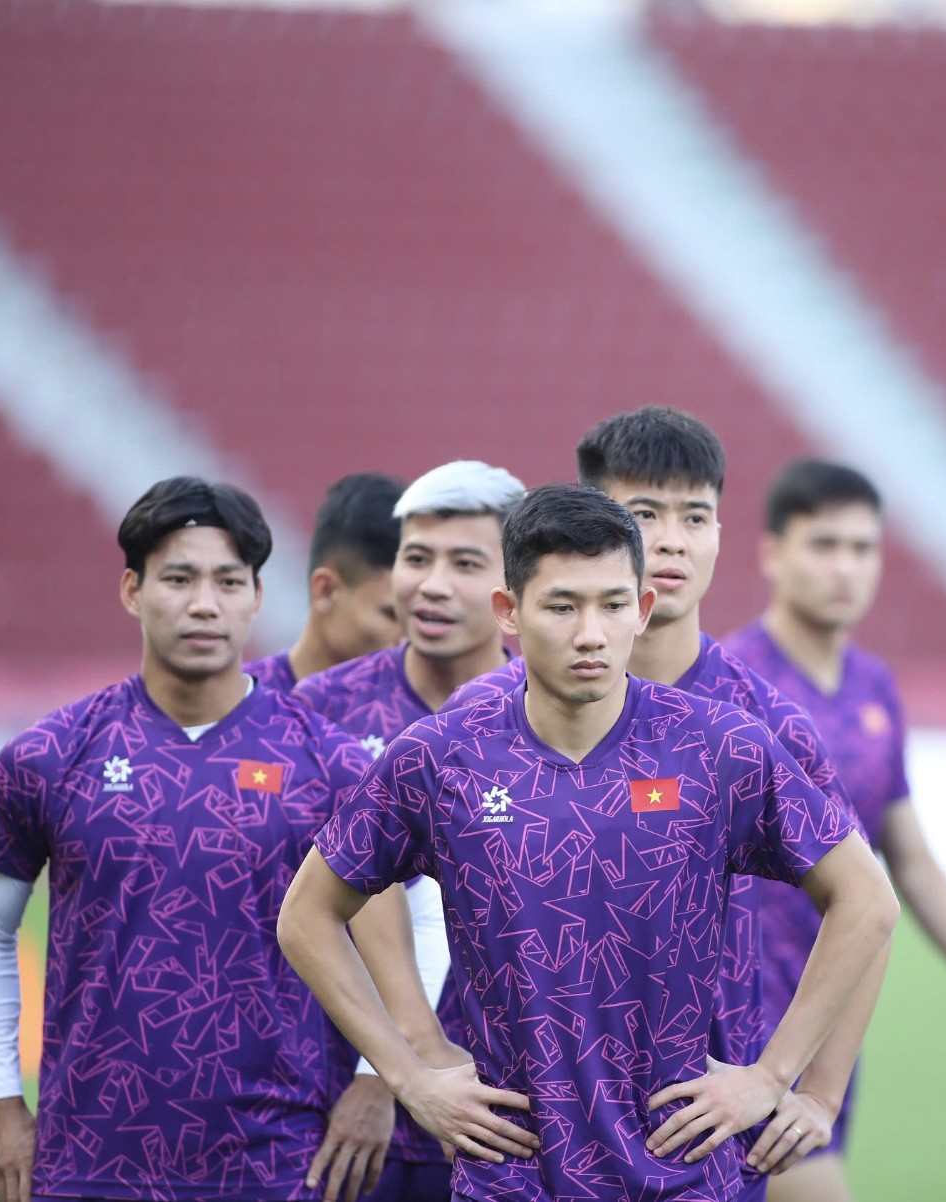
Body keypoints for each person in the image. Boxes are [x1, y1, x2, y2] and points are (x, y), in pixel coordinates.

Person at [277, 484, 900, 1202]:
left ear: (641, 609)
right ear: (509, 613)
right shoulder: (443, 754)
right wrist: (408, 1073)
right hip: (512, 1180)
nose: (590, 634)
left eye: (611, 605)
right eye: (562, 605)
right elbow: (307, 915)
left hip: (686, 1175)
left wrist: (774, 1076)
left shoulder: (722, 747)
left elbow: (866, 899)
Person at [446, 407, 888, 1187]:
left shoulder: (765, 723)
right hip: (518, 1137)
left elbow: (866, 904)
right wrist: (410, 1060)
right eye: (646, 514)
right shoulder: (481, 718)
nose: (675, 540)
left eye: (697, 516)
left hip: (691, 1130)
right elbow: (363, 882)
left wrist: (812, 1089)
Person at [0, 477, 374, 1202]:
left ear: (256, 598)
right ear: (131, 590)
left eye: (227, 581)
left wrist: (377, 1080)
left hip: (280, 1160)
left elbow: (416, 919)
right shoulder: (50, 754)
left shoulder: (332, 764)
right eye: (178, 578)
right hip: (88, 1157)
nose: (204, 603)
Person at [724, 457, 946, 1202]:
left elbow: (908, 863)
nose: (846, 567)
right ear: (773, 553)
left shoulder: (876, 687)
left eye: (863, 547)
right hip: (741, 1035)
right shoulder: (727, 682)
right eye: (825, 545)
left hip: (834, 1029)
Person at [291, 460, 526, 1202]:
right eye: (415, 558)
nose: (431, 584)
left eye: (464, 563)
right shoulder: (319, 708)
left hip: (506, 1119)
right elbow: (310, 908)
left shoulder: (550, 715)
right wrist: (382, 1073)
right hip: (334, 1119)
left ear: (511, 589)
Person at [245, 472, 405, 690]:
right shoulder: (234, 705)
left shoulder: (426, 714)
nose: (407, 640)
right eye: (391, 615)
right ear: (326, 591)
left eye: (415, 617)